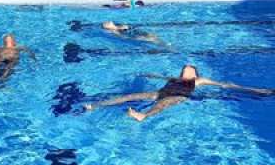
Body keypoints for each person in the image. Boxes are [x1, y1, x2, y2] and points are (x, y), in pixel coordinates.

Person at [85, 65, 274, 122]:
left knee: (162, 105)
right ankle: (96, 105)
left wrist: (254, 90)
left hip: (179, 96)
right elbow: (158, 74)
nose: (186, 70)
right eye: (184, 69)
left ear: (195, 73)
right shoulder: (173, 79)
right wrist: (147, 73)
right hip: (160, 91)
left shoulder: (199, 81)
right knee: (131, 96)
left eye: (189, 69)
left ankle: (144, 115)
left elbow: (226, 84)